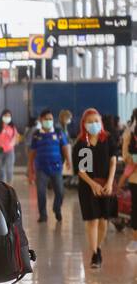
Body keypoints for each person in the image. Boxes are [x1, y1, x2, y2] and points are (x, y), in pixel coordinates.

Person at [72, 108, 118, 270]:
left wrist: (110, 182)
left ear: (101, 122)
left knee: (103, 222)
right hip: (88, 187)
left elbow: (113, 161)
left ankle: (98, 247)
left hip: (106, 185)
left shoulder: (108, 140)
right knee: (92, 220)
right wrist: (93, 184)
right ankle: (94, 253)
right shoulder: (82, 143)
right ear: (84, 124)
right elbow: (81, 170)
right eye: (90, 122)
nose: (93, 124)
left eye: (96, 121)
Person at [27, 108, 70, 224]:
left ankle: (57, 208)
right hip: (41, 168)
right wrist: (30, 169)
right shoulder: (36, 135)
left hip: (56, 167)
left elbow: (65, 147)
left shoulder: (58, 132)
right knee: (40, 192)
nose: (49, 121)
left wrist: (69, 161)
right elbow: (32, 153)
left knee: (60, 192)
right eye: (46, 119)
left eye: (50, 119)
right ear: (41, 120)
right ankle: (43, 215)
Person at [0, 109, 19, 185]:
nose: (7, 117)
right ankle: (2, 186)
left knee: (9, 169)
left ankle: (10, 185)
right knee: (1, 169)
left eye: (9, 116)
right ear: (2, 116)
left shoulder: (12, 127)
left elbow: (16, 138)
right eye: (5, 115)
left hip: (9, 151)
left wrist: (12, 143)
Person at [122, 109, 137, 254]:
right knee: (136, 209)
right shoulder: (129, 134)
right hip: (135, 178)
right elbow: (125, 154)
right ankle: (135, 240)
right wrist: (132, 159)